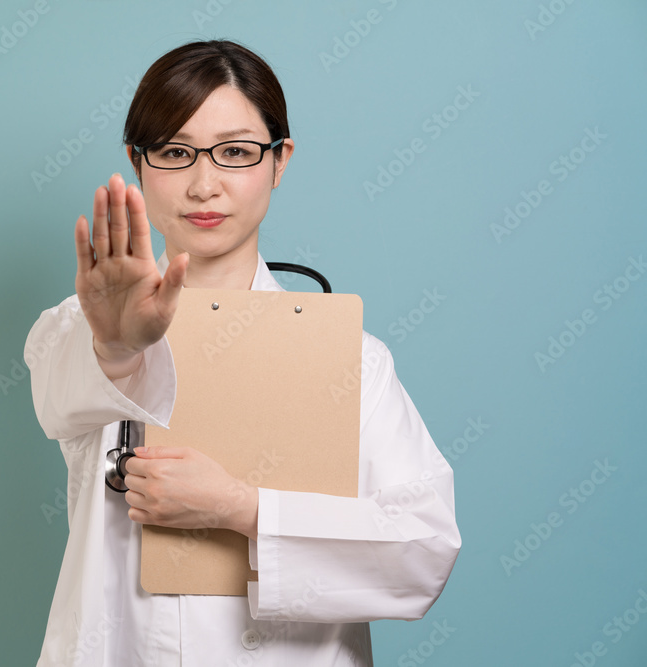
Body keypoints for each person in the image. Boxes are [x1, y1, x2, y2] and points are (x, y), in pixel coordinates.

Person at [25, 39, 461, 666]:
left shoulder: (350, 358)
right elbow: (62, 399)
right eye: (174, 152)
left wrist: (243, 508)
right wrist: (117, 346)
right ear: (137, 162)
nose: (204, 185)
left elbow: (423, 550)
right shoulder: (78, 329)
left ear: (280, 161)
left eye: (235, 152)